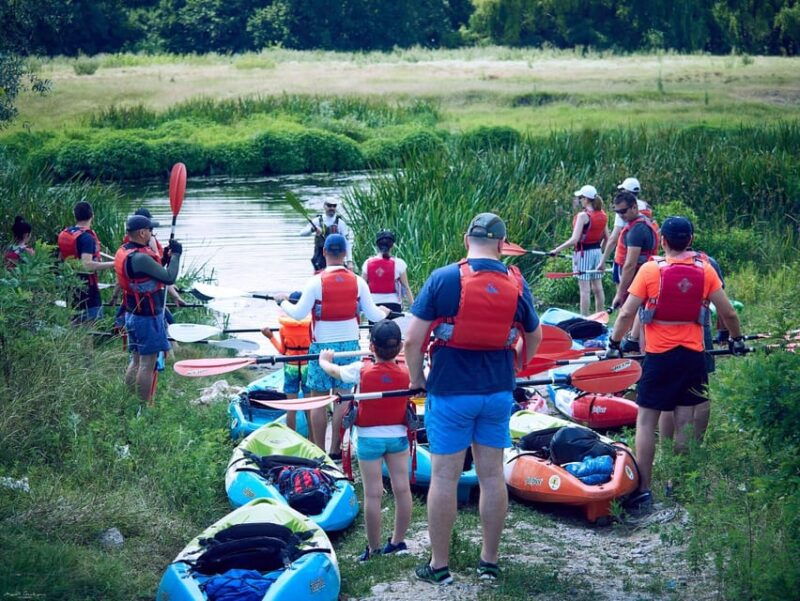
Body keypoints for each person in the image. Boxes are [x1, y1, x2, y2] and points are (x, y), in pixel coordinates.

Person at [403, 213, 542, 585]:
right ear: (502, 242)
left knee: (445, 478)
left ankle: (439, 565)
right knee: (492, 475)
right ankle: (489, 562)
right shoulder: (516, 281)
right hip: (497, 390)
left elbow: (412, 341)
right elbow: (535, 335)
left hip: (449, 392)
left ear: (467, 239)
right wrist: (519, 362)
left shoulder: (443, 278)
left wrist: (417, 379)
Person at [605, 217, 745, 514]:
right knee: (685, 422)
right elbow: (729, 313)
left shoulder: (650, 270)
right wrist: (737, 340)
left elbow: (628, 312)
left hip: (659, 357)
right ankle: (677, 485)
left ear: (663, 241)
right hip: (692, 357)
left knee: (645, 422)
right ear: (690, 240)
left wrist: (615, 345)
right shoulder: (705, 271)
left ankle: (643, 491)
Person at [274, 233, 388, 456]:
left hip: (322, 348)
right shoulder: (359, 282)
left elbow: (297, 314)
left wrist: (282, 301)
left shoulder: (315, 282)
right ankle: (337, 450)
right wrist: (383, 312)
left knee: (318, 399)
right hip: (350, 347)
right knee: (343, 397)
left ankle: (319, 451)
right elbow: (375, 315)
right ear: (345, 254)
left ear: (324, 252)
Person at [318, 319, 412, 561]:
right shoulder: (409, 369)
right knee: (402, 489)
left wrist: (324, 360)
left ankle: (374, 548)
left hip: (369, 440)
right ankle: (398, 541)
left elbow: (334, 372)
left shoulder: (359, 369)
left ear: (371, 347)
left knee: (373, 494)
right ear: (400, 346)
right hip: (398, 439)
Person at [659, 250, 726, 444]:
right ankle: (695, 445)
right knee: (700, 393)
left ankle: (666, 447)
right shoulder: (708, 264)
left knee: (669, 393)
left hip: (664, 339)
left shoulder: (656, 266)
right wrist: (726, 333)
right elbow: (723, 304)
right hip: (698, 335)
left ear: (664, 241)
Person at [114, 214, 182, 404]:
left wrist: (165, 256)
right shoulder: (140, 258)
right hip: (147, 317)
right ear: (142, 232)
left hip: (132, 314)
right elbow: (169, 278)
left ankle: (127, 399)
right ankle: (144, 407)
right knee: (147, 365)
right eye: (150, 230)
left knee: (135, 361)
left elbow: (153, 272)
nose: (152, 234)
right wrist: (177, 255)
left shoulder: (125, 250)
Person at [609, 190, 660, 352]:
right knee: (642, 314)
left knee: (631, 314)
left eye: (623, 211)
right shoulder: (642, 223)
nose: (621, 215)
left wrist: (620, 293)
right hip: (644, 275)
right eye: (617, 212)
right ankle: (636, 344)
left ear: (634, 207)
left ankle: (636, 349)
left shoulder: (637, 230)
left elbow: (630, 264)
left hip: (640, 277)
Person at [549, 185, 609, 316]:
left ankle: (584, 319)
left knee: (585, 290)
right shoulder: (603, 215)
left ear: (586, 199)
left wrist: (557, 250)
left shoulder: (583, 216)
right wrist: (601, 252)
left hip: (583, 254)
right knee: (598, 288)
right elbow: (607, 238)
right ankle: (601, 316)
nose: (579, 200)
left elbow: (574, 239)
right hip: (597, 252)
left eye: (581, 198)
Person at [261, 291, 312, 431]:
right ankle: (314, 440)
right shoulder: (311, 325)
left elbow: (282, 352)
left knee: (291, 407)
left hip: (291, 366)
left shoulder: (284, 328)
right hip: (308, 365)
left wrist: (270, 336)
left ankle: (292, 437)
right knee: (310, 406)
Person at [58, 201, 115, 322]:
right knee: (93, 328)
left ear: (75, 216)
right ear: (92, 215)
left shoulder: (67, 234)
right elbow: (86, 265)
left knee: (75, 325)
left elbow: (61, 258)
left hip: (71, 285)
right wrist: (114, 263)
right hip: (88, 289)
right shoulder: (87, 238)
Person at [600, 177, 653, 284]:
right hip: (645, 260)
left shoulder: (623, 208)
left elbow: (613, 238)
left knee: (622, 293)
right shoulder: (646, 207)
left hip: (625, 257)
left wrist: (602, 260)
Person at [362, 229, 414, 315]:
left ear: (377, 246)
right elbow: (406, 287)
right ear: (392, 246)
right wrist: (414, 308)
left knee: (374, 329)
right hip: (394, 304)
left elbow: (362, 287)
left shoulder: (367, 263)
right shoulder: (399, 263)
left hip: (374, 306)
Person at [299, 200, 354, 272]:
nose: (332, 208)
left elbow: (347, 243)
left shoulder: (341, 223)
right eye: (329, 205)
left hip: (336, 256)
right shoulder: (317, 221)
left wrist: (349, 261)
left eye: (334, 206)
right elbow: (302, 233)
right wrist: (312, 229)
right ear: (324, 206)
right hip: (319, 257)